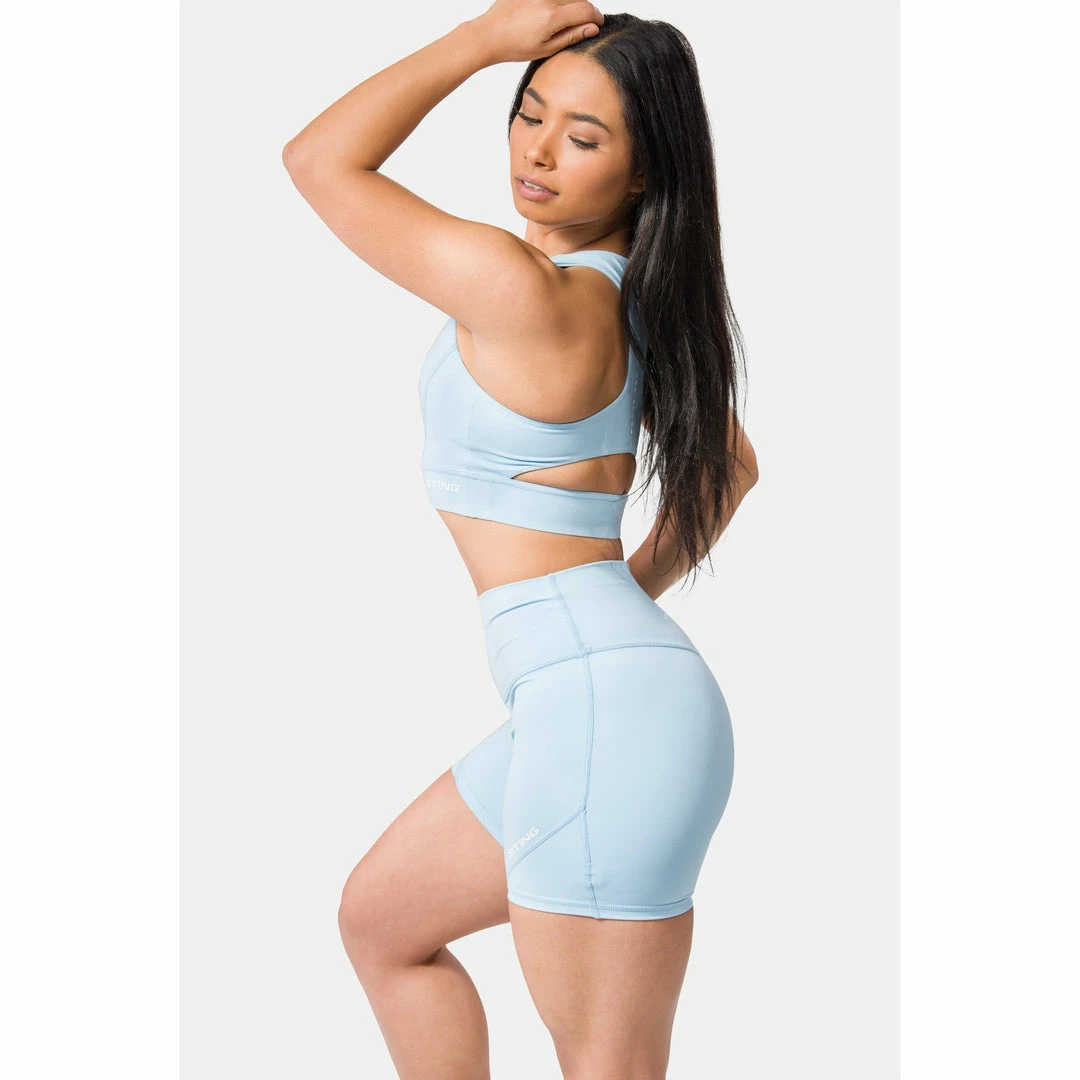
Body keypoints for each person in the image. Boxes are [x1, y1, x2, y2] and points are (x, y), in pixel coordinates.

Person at [283, 3, 759, 1076]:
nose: (537, 152)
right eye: (528, 112)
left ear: (645, 171)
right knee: (383, 923)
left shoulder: (518, 286)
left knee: (605, 1064)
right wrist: (611, 609)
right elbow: (730, 466)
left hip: (601, 711)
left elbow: (319, 160)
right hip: (591, 697)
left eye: (582, 137)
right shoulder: (637, 304)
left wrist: (484, 39)